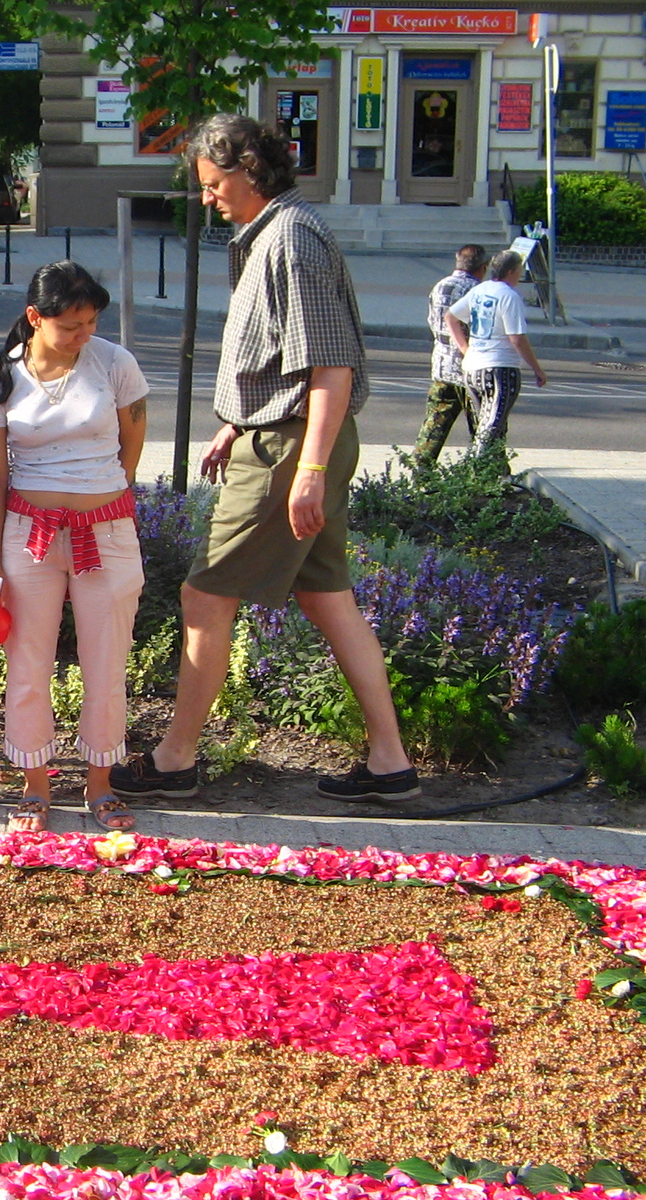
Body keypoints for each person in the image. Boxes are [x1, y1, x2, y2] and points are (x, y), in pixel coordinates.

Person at [111, 113, 419, 804]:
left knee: (205, 593)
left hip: (290, 443)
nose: (208, 197)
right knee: (327, 597)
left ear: (250, 170)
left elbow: (330, 367)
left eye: (214, 183)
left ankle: (174, 760)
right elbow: (284, 358)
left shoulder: (291, 239)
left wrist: (306, 468)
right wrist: (234, 425)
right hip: (280, 433)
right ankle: (391, 763)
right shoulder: (273, 234)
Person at [0, 261, 148, 833]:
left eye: (91, 322)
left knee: (107, 664)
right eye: (70, 325)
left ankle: (101, 783)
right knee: (27, 664)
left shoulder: (115, 363)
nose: (83, 336)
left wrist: (102, 495)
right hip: (29, 534)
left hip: (106, 530)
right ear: (34, 319)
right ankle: (35, 784)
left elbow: (131, 440)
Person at [446, 249, 548, 452]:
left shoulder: (480, 289)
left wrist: (465, 348)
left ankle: (498, 475)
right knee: (490, 428)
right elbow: (517, 339)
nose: (521, 274)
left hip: (473, 369)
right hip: (499, 369)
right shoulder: (509, 296)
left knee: (491, 425)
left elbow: (451, 317)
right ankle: (473, 472)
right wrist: (537, 369)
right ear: (511, 271)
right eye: (520, 269)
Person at [412, 243, 488, 468]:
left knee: (434, 423)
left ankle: (420, 469)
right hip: (471, 370)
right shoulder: (478, 291)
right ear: (482, 267)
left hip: (442, 366)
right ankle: (486, 472)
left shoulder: (440, 286)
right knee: (482, 425)